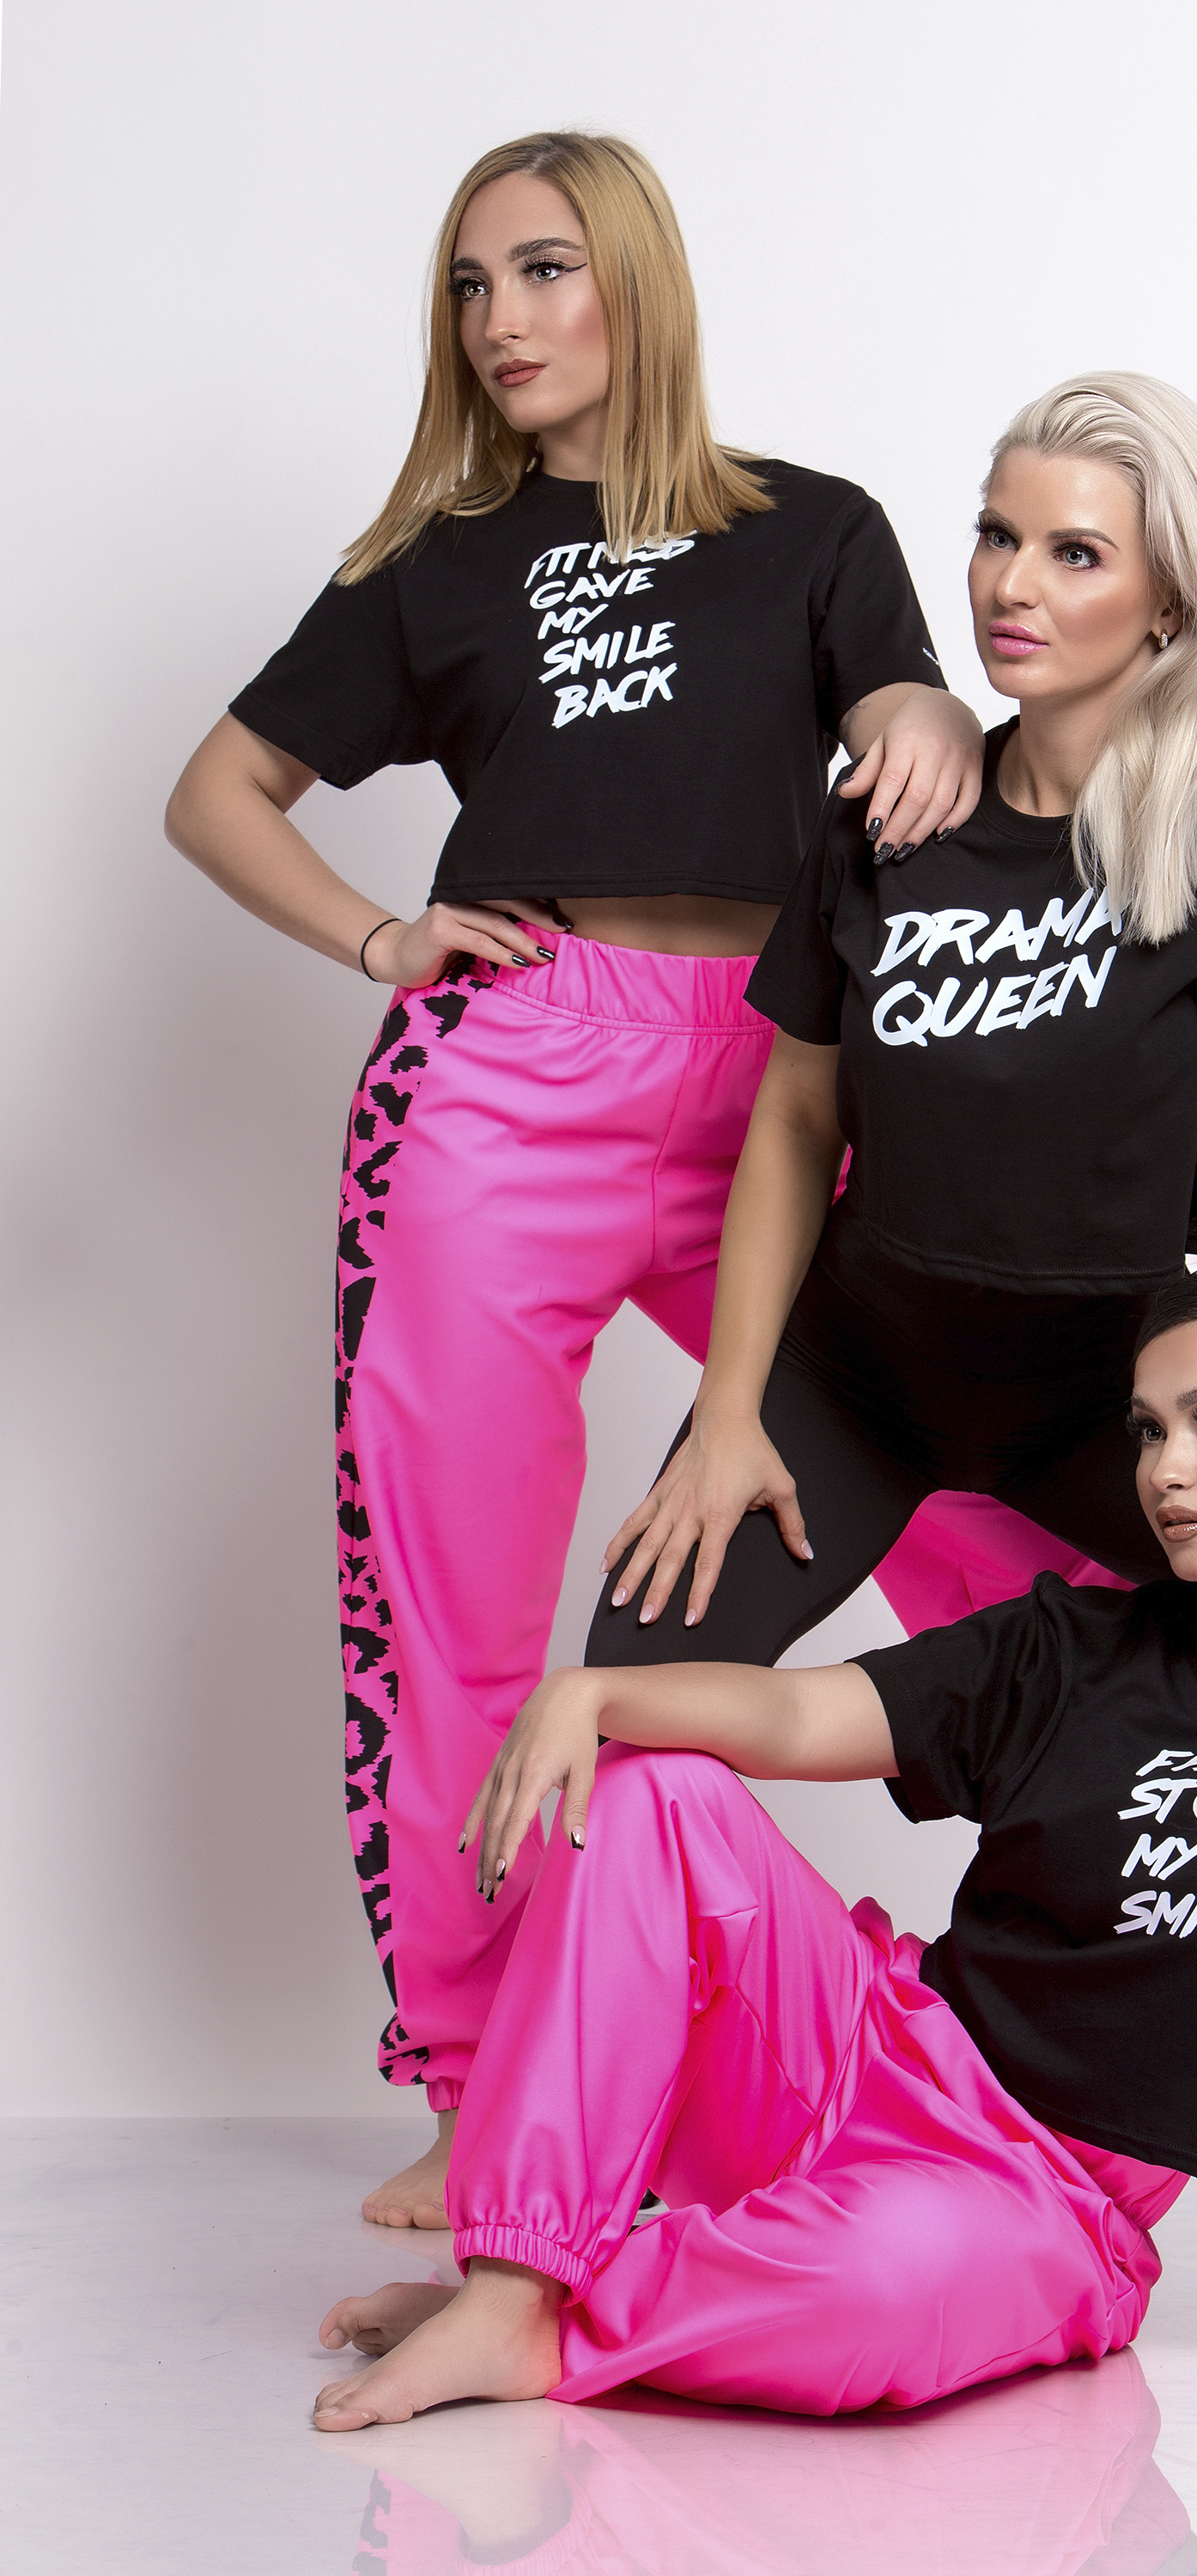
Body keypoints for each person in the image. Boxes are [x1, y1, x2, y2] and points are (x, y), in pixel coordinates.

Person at [163, 129, 988, 2232]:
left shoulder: (811, 528)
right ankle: (475, 2082)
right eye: (470, 286)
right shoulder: (434, 562)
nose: (502, 321)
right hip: (505, 1073)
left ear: (634, 278)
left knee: (969, 1481)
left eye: (542, 270)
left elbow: (902, 695)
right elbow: (218, 790)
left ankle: (1118, 1985)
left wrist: (922, 712)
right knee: (448, 1606)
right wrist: (380, 937)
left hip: (776, 1079)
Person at [310, 1237, 1197, 2432]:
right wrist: (594, 1693)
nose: (1166, 1469)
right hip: (858, 2053)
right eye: (1149, 1429)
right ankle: (514, 2282)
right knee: (652, 1789)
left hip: (1045, 2199)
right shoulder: (1074, 1647)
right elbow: (796, 1714)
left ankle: (558, 2320)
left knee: (880, 2294)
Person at [586, 370, 1197, 1673]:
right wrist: (726, 1412)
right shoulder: (890, 812)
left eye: (1075, 553)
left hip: (1118, 1403)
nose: (1012, 585)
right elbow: (795, 1123)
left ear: (1171, 598)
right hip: (855, 1380)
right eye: (998, 535)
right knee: (631, 1698)